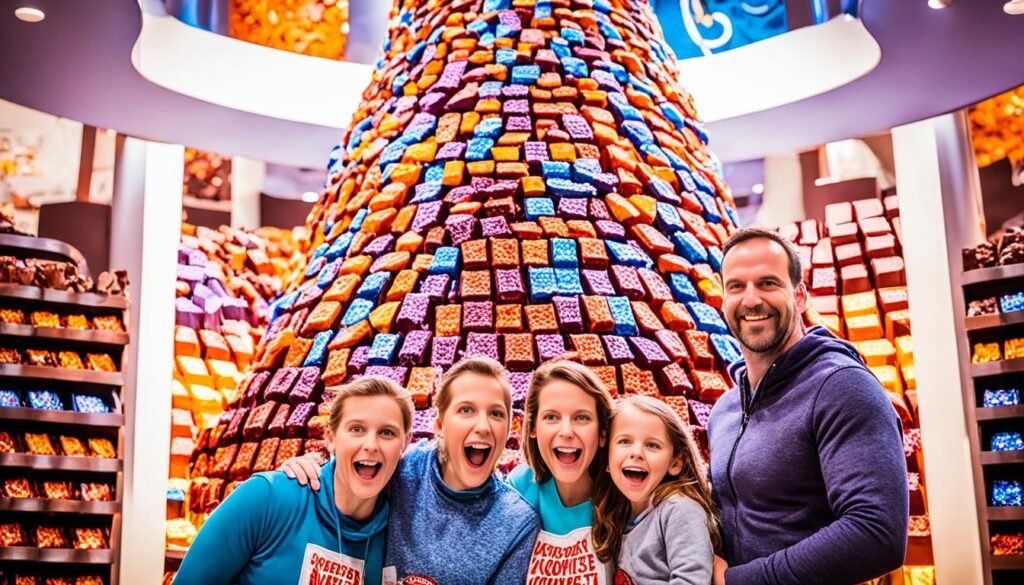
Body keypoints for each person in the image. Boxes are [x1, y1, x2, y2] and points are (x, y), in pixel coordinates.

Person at [710, 227, 908, 584]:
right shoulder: (724, 409)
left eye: (768, 283)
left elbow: (877, 534)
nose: (751, 299)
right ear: (722, 300)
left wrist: (739, 581)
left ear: (800, 296)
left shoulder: (842, 387)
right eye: (736, 286)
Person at [282, 356, 540, 584]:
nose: (483, 426)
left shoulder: (517, 522)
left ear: (510, 429)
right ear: (439, 424)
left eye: (496, 413)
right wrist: (312, 465)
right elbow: (349, 471)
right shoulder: (401, 471)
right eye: (466, 410)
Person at [174, 376, 415, 585]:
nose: (370, 445)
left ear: (404, 444)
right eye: (356, 429)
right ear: (330, 439)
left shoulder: (396, 536)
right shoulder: (266, 498)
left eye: (387, 432)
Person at [507, 360, 616, 584]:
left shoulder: (622, 495)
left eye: (582, 418)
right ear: (534, 427)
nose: (566, 431)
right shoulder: (519, 489)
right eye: (551, 417)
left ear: (602, 433)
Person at [592, 395, 719, 585]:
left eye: (652, 445)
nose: (636, 452)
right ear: (607, 458)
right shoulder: (620, 514)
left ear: (675, 463)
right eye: (625, 441)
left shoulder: (679, 510)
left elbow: (691, 580)